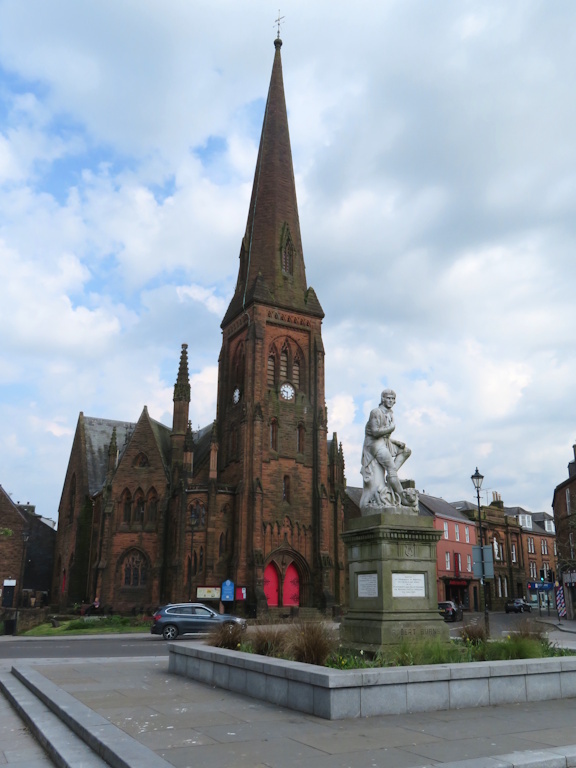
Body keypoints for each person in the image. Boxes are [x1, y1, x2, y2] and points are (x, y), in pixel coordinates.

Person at [360, 389, 411, 510]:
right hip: (374, 445)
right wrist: (391, 428)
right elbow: (375, 432)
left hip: (384, 442)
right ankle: (402, 497)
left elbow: (385, 436)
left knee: (406, 451)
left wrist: (396, 442)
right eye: (388, 398)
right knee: (391, 468)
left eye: (393, 399)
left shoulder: (390, 414)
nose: (391, 401)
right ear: (383, 399)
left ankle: (391, 476)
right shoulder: (375, 412)